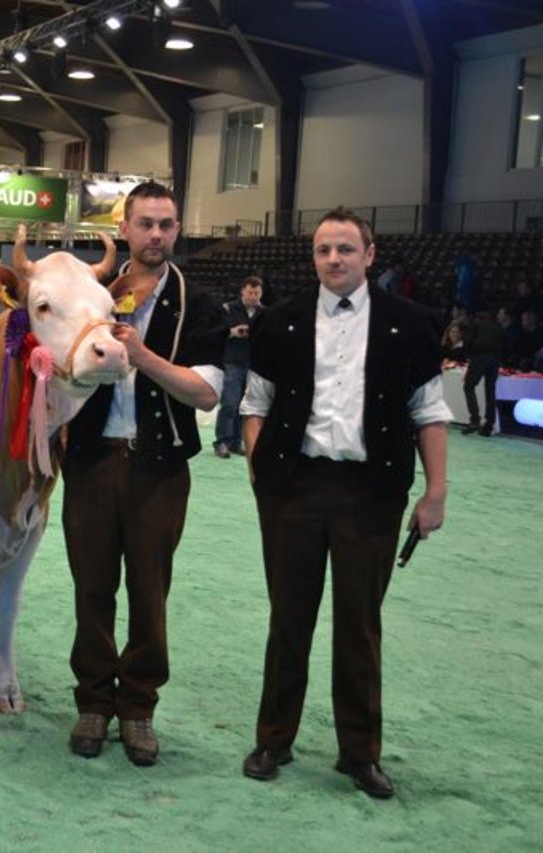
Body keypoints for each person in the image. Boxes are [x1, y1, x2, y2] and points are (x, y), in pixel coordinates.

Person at [239, 206, 449, 799]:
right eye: (325, 250)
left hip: (371, 494)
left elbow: (429, 413)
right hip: (294, 491)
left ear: (370, 255)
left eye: (346, 250)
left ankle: (360, 754)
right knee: (289, 621)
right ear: (314, 257)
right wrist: (261, 471)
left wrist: (436, 492)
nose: (335, 259)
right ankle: (274, 739)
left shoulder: (411, 323)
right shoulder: (278, 321)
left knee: (360, 626)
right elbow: (255, 406)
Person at [61, 181, 223, 767]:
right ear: (124, 229)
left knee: (149, 593)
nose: (156, 235)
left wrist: (144, 357)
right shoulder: (91, 296)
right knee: (91, 588)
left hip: (159, 469)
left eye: (167, 224)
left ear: (177, 231)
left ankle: (138, 709)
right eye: (146, 224)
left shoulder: (201, 303)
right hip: (91, 461)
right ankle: (93, 702)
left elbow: (205, 395)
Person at [214, 276, 264, 459]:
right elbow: (215, 333)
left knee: (245, 408)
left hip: (254, 365)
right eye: (250, 292)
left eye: (257, 293)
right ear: (242, 291)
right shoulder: (228, 309)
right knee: (229, 404)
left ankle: (236, 442)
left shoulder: (264, 312)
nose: (253, 296)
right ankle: (222, 442)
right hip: (232, 362)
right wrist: (232, 332)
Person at [461, 308, 506, 435]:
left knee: (469, 386)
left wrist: (468, 355)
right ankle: (489, 425)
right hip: (495, 359)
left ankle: (475, 419)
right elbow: (506, 346)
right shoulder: (498, 328)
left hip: (479, 357)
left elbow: (468, 341)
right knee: (490, 390)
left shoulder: (476, 325)